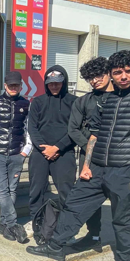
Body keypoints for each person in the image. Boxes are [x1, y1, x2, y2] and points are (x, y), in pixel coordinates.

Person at [28, 51, 130, 261]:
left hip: (125, 171)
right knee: (74, 205)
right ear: (111, 73)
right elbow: (94, 135)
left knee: (123, 219)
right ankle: (55, 246)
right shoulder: (106, 100)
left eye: (129, 71)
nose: (123, 76)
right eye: (118, 72)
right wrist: (86, 165)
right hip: (96, 168)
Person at [65, 57, 113, 252]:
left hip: (118, 158)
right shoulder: (84, 101)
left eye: (98, 75)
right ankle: (94, 235)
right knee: (89, 196)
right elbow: (73, 129)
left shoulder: (123, 97)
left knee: (121, 199)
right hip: (90, 157)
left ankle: (127, 242)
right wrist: (90, 147)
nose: (94, 80)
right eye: (90, 78)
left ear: (108, 73)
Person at [27, 65, 77, 244]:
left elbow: (75, 129)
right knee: (36, 192)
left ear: (64, 82)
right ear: (46, 83)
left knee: (66, 193)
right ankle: (38, 227)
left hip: (64, 153)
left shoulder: (74, 102)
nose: (54, 86)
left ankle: (65, 229)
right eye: (50, 83)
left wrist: (57, 147)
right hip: (40, 154)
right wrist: (44, 149)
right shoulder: (37, 102)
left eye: (57, 83)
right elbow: (32, 128)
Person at [0, 71, 31, 243]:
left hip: (17, 154)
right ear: (5, 85)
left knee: (12, 190)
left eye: (16, 85)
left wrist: (25, 151)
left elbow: (29, 128)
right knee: (2, 190)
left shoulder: (26, 104)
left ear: (21, 86)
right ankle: (13, 224)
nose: (14, 88)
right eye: (11, 85)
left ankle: (4, 225)